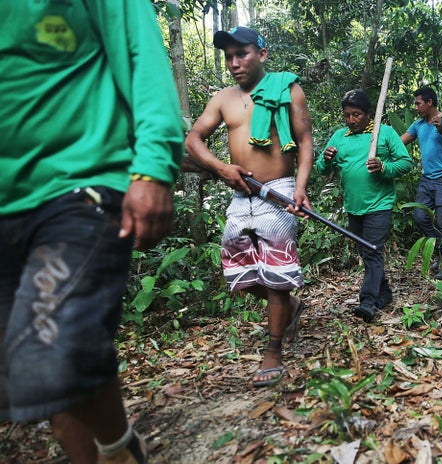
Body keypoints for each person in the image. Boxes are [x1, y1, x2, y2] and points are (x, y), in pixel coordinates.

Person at [0, 1, 185, 463]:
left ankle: (121, 447)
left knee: (49, 355)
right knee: (42, 390)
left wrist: (154, 166)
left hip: (78, 185)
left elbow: (141, 52)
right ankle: (119, 451)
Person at [184, 26, 313, 389]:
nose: (235, 63)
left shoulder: (287, 89)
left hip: (279, 190)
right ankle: (289, 306)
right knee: (237, 273)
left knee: (275, 274)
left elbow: (304, 142)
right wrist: (221, 167)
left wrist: (300, 189)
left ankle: (273, 352)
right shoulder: (223, 98)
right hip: (241, 192)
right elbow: (194, 138)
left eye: (242, 54)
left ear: (262, 54)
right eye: (229, 57)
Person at [316, 89, 413, 323]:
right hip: (353, 206)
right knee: (366, 252)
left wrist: (384, 167)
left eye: (356, 114)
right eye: (347, 115)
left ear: (369, 114)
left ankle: (368, 301)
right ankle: (385, 293)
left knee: (372, 250)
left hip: (379, 204)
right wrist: (326, 159)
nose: (351, 120)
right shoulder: (340, 136)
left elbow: (406, 163)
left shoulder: (385, 133)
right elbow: (321, 168)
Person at [401, 87, 442, 280]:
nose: (416, 107)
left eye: (418, 103)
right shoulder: (418, 124)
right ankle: (441, 249)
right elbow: (400, 141)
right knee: (420, 217)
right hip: (426, 179)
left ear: (429, 103)